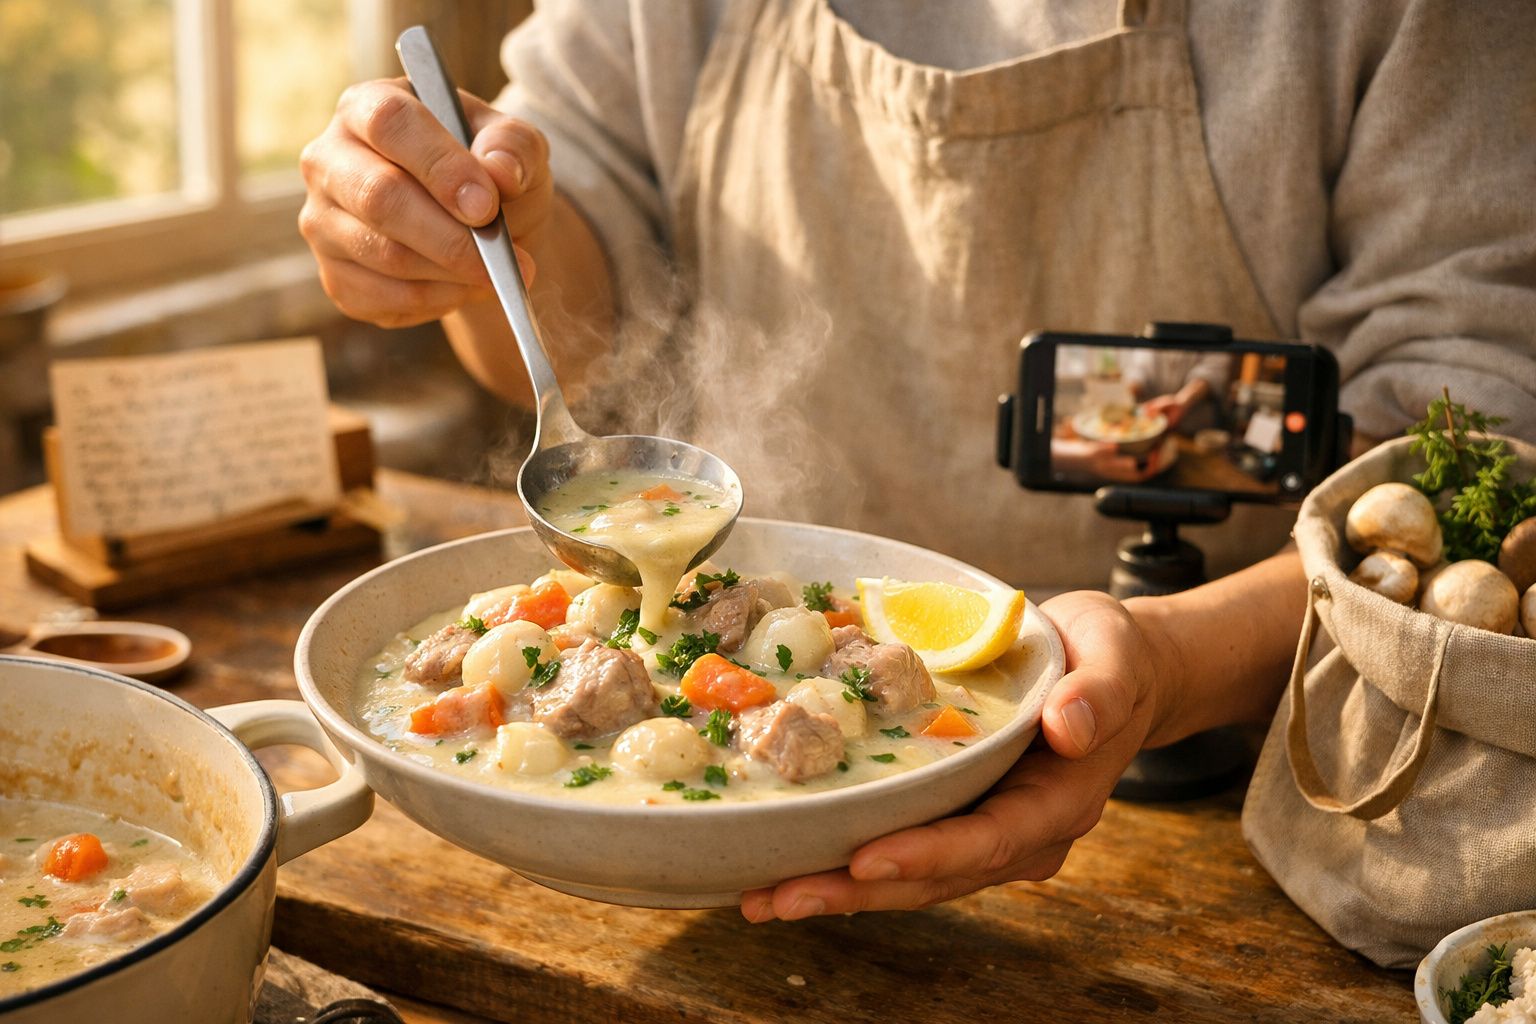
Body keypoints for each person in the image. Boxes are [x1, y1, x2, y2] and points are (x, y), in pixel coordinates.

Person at [298, 0, 1536, 922]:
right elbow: (578, 320)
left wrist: (1166, 663)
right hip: (669, 883)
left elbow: (1475, 443)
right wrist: (462, 245)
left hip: (1279, 799)